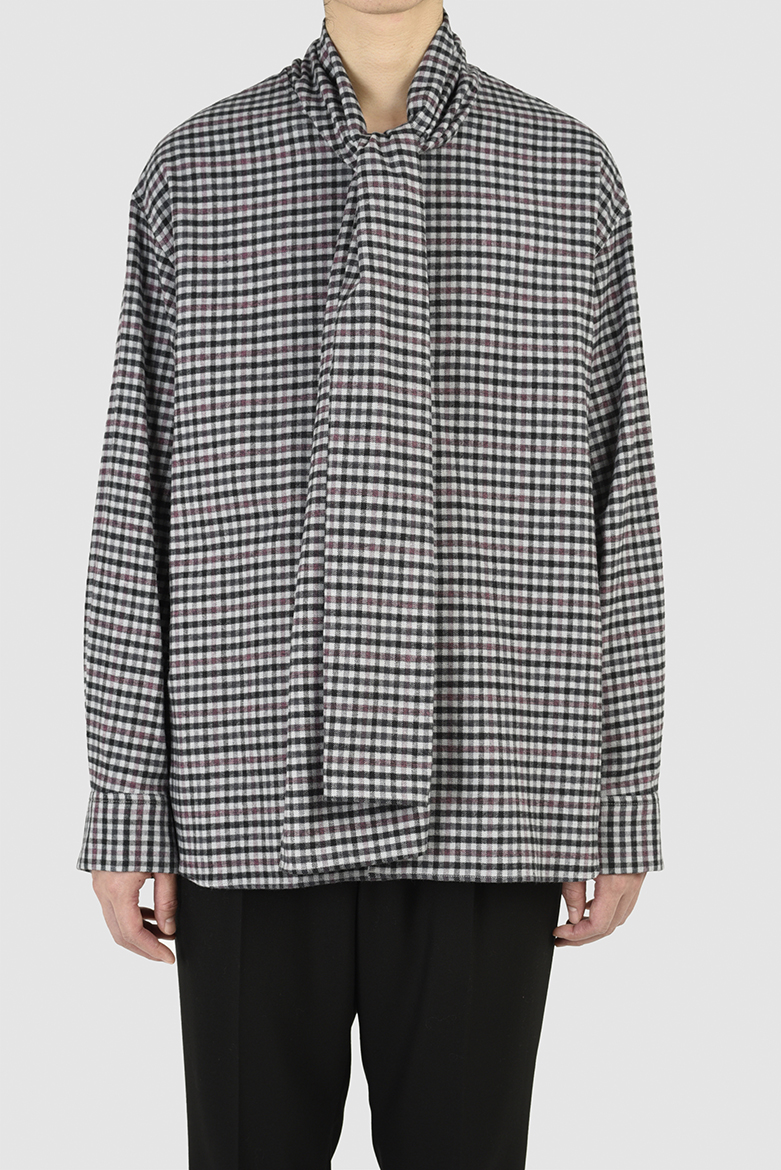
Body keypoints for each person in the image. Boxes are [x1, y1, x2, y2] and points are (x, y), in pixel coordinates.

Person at [76, 1, 666, 1167]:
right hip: (247, 789)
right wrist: (125, 796)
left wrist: (619, 795)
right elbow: (135, 497)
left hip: (493, 788)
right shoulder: (195, 171)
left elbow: (620, 497)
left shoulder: (567, 173)